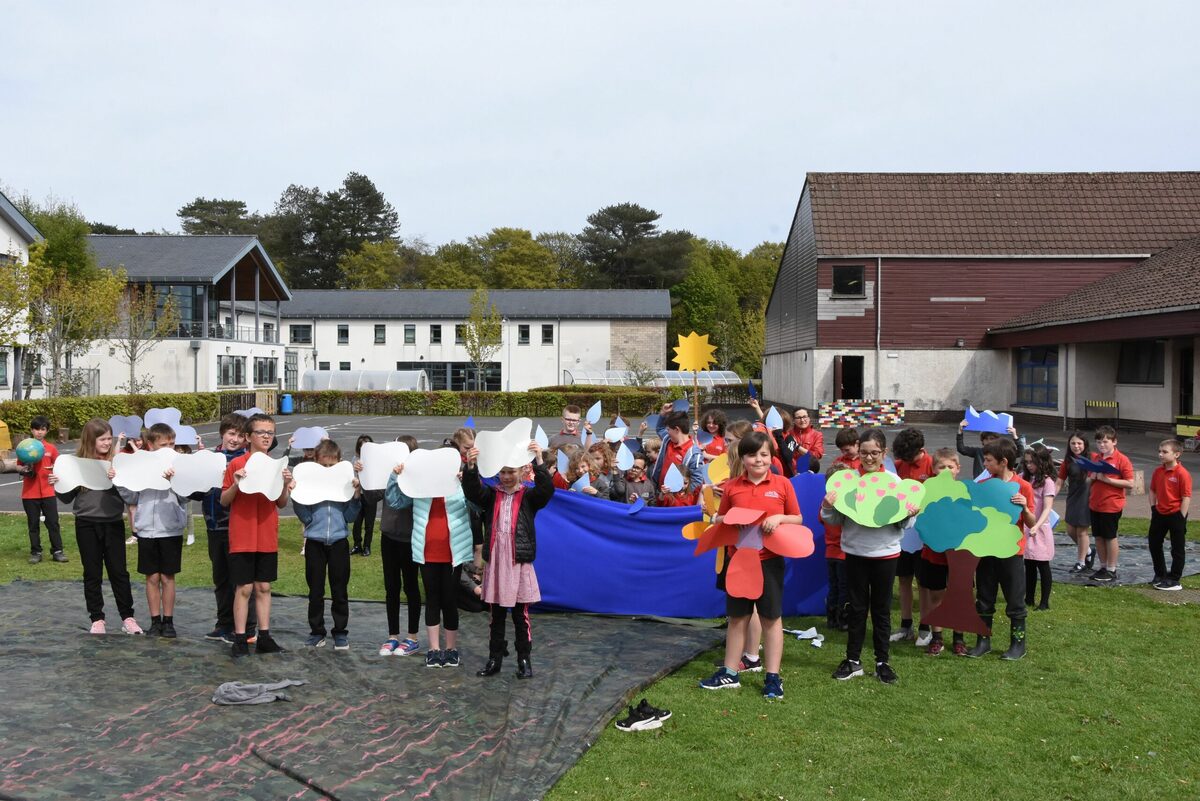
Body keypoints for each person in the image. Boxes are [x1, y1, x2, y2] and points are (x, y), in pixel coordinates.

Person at [700, 431, 803, 699]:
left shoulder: (782, 484)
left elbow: (798, 519)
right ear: (742, 458)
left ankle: (772, 677)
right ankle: (730, 673)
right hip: (739, 561)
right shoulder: (733, 487)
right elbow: (722, 519)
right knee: (737, 618)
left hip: (769, 562)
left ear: (771, 457)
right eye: (752, 455)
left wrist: (779, 518)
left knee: (771, 618)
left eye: (764, 454)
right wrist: (726, 519)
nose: (758, 460)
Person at [823, 429, 917, 684]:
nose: (869, 457)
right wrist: (827, 506)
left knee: (881, 610)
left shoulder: (894, 483)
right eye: (864, 452)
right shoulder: (847, 481)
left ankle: (882, 662)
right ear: (858, 452)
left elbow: (904, 525)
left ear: (883, 453)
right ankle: (853, 660)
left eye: (874, 453)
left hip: (886, 554)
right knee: (856, 609)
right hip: (854, 552)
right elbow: (833, 520)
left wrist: (909, 514)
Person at [462, 441, 554, 679]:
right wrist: (472, 465)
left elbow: (546, 491)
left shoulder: (528, 497)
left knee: (519, 615)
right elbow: (472, 490)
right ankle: (495, 658)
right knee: (496, 614)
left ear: (522, 471)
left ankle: (524, 659)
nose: (505, 477)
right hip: (497, 562)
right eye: (502, 472)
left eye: (510, 472)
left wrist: (539, 460)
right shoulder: (492, 496)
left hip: (517, 562)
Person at [386, 452, 477, 669]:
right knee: (433, 599)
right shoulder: (420, 488)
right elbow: (395, 501)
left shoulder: (458, 485)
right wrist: (394, 477)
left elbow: (477, 505)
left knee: (449, 600)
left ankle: (451, 649)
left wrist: (469, 480)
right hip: (427, 552)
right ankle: (434, 649)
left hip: (453, 554)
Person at [51, 418, 142, 635]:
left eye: (109, 438)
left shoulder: (118, 462)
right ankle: (97, 619)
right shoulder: (78, 464)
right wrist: (57, 484)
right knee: (92, 572)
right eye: (102, 439)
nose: (107, 443)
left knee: (119, 572)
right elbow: (66, 498)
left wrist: (117, 479)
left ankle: (127, 617)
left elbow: (131, 496)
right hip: (86, 524)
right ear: (90, 440)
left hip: (112, 523)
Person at [220, 413, 293, 657]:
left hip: (266, 535)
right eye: (260, 432)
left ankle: (264, 636)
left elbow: (281, 503)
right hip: (242, 535)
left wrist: (285, 486)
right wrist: (235, 484)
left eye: (270, 433)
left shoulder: (278, 465)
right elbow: (224, 501)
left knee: (263, 587)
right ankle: (240, 638)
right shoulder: (236, 465)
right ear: (249, 437)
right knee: (244, 588)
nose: (265, 436)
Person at [967, 437, 1036, 661]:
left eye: (988, 461)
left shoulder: (1023, 487)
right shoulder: (984, 486)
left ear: (1003, 461)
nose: (984, 464)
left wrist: (1024, 507)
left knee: (1015, 600)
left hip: (1011, 551)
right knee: (984, 598)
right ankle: (983, 641)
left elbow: (1032, 522)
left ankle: (1018, 644)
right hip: (987, 550)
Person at [118, 423, 189, 638]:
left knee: (168, 577)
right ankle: (155, 620)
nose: (169, 448)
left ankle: (168, 621)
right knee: (152, 577)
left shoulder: (180, 465)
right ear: (150, 445)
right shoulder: (141, 465)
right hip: (147, 528)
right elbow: (131, 496)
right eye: (163, 445)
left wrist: (175, 481)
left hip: (170, 529)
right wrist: (117, 480)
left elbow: (186, 496)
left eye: (172, 444)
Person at [194, 414, 255, 643]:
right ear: (222, 433)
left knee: (240, 580)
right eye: (231, 434)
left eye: (240, 435)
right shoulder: (210, 458)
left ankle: (246, 628)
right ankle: (223, 623)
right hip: (213, 526)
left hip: (236, 527)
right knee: (220, 578)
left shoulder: (248, 460)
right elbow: (196, 492)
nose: (235, 439)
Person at [295, 440, 360, 650]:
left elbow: (350, 516)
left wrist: (356, 495)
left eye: (332, 466)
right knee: (315, 590)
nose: (328, 470)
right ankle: (317, 631)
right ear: (316, 463)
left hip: (339, 542)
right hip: (315, 542)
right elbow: (301, 505)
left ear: (339, 463)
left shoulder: (344, 486)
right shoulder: (311, 484)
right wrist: (309, 519)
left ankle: (340, 632)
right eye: (324, 466)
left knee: (339, 590)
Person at [890, 428, 935, 646]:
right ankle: (906, 626)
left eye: (909, 457)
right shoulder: (898, 467)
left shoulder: (933, 466)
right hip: (903, 534)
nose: (906, 462)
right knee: (904, 579)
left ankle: (926, 628)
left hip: (925, 534)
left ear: (920, 450)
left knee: (924, 583)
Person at [379, 435, 423, 656]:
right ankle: (392, 636)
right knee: (391, 587)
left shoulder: (416, 476)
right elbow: (373, 493)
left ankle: (412, 637)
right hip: (388, 536)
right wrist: (361, 472)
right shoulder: (389, 473)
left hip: (409, 538)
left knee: (411, 587)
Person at [921, 449, 964, 655]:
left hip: (959, 554)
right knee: (936, 594)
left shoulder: (965, 490)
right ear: (933, 469)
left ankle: (959, 638)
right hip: (934, 552)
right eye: (941, 467)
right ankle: (936, 638)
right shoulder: (927, 490)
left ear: (957, 469)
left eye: (950, 467)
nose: (946, 470)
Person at [1085, 426, 1134, 583]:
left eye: (1105, 442)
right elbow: (1088, 481)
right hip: (1095, 503)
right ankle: (1103, 566)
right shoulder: (1096, 458)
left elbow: (1130, 483)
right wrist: (1092, 476)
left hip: (1111, 504)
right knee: (1098, 537)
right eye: (1099, 442)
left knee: (1110, 537)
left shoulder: (1122, 459)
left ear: (1114, 442)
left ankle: (1112, 568)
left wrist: (1108, 480)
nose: (1102, 445)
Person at [19, 415, 66, 565]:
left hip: (48, 492)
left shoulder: (51, 448)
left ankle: (57, 551)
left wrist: (56, 475)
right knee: (33, 524)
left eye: (43, 429)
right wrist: (24, 469)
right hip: (29, 493)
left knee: (53, 523)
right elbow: (18, 466)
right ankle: (36, 552)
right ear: (32, 430)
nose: (39, 432)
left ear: (46, 431)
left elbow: (59, 467)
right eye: (36, 429)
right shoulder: (24, 447)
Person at [1148, 439, 1191, 591]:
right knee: (1154, 543)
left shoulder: (1182, 473)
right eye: (1159, 451)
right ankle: (1160, 574)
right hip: (1159, 513)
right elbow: (1152, 490)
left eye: (1165, 452)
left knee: (1177, 548)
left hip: (1176, 515)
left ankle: (1174, 579)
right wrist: (1154, 508)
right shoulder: (1158, 471)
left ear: (1177, 454)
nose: (1160, 454)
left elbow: (1186, 496)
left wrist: (1181, 517)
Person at [1021, 444, 1058, 611]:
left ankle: (1044, 602)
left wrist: (1037, 525)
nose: (1029, 465)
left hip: (1040, 528)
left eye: (1032, 462)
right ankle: (1028, 598)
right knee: (1028, 563)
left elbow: (1047, 508)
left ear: (1041, 462)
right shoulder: (1025, 478)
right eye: (1027, 462)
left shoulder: (1047, 482)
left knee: (1042, 565)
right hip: (1027, 526)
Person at [1056, 431, 1095, 574]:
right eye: (1073, 443)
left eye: (1079, 443)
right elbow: (1060, 480)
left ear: (1085, 445)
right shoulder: (1068, 461)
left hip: (1087, 498)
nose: (1076, 446)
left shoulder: (1094, 458)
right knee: (1071, 530)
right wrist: (1051, 494)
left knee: (1081, 532)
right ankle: (1089, 551)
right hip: (1073, 497)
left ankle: (1081, 562)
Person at [650, 409, 707, 491]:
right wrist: (663, 413)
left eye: (668, 429)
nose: (667, 432)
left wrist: (680, 494)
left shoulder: (694, 453)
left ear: (677, 429)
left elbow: (697, 481)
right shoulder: (668, 440)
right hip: (661, 495)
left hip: (676, 500)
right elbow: (660, 429)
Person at [822, 465, 848, 632]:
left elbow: (821, 518)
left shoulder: (826, 503)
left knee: (834, 586)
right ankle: (844, 619)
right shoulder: (844, 504)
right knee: (845, 588)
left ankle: (831, 619)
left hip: (830, 552)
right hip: (843, 553)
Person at [956, 419, 1026, 479]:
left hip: (997, 483)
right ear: (982, 441)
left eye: (992, 439)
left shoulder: (1002, 452)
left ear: (997, 440)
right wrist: (960, 431)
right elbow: (962, 449)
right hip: (980, 483)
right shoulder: (978, 452)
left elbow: (1020, 452)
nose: (989, 441)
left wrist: (1014, 435)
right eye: (986, 439)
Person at [350, 434, 382, 557]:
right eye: (362, 447)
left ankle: (367, 546)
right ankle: (357, 545)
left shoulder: (375, 460)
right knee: (357, 522)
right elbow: (352, 476)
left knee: (369, 523)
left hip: (371, 495)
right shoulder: (355, 459)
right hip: (358, 495)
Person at [783, 406, 824, 474]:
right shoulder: (787, 434)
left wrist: (797, 447)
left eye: (804, 417)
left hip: (809, 472)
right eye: (798, 418)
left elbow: (817, 455)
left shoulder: (817, 435)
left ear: (809, 418)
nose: (802, 420)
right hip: (790, 472)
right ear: (793, 420)